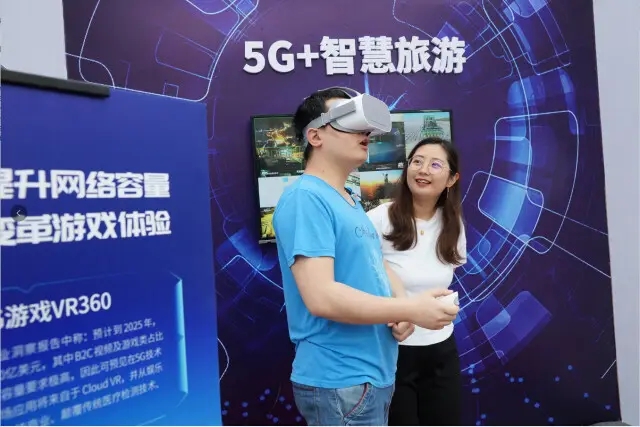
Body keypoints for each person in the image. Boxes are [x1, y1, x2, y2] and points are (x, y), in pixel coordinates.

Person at [273, 88, 461, 426]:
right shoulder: (306, 198)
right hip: (340, 380)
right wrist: (410, 309)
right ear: (315, 136)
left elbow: (377, 264)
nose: (364, 132)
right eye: (347, 122)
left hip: (368, 379)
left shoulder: (348, 200)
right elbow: (321, 297)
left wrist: (402, 302)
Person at [367, 137, 467, 426]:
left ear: (452, 179)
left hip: (441, 349)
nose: (423, 170)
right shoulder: (377, 219)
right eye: (417, 162)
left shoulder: (453, 224)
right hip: (392, 349)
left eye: (435, 165)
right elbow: (362, 277)